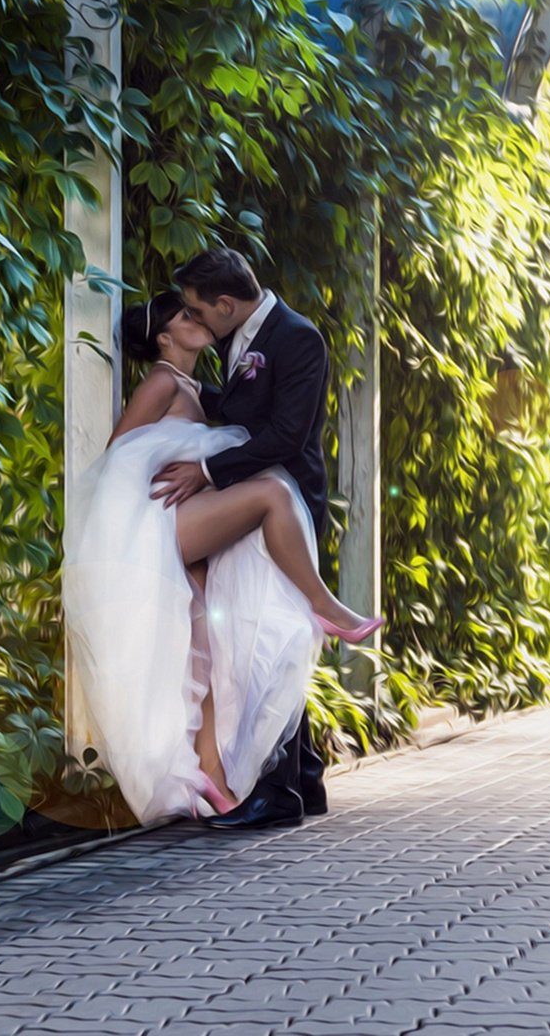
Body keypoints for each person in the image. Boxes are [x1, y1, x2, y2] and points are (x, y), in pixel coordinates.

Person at [62, 282, 380, 827]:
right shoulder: (162, 381)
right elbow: (117, 455)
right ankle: (324, 605)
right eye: (185, 316)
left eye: (197, 310)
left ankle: (211, 774)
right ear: (165, 338)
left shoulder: (193, 387)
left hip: (179, 526)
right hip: (157, 524)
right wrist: (145, 506)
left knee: (205, 654)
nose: (198, 319)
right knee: (272, 493)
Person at [150, 248, 362, 830]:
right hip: (251, 501)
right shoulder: (236, 335)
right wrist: (181, 389)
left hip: (284, 505)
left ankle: (276, 793)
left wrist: (207, 471)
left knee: (267, 638)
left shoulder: (298, 339)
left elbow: (287, 434)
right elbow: (243, 409)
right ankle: (305, 777)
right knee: (268, 635)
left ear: (225, 304)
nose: (194, 319)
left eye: (198, 310)